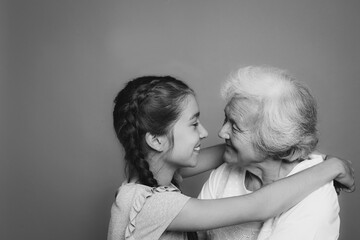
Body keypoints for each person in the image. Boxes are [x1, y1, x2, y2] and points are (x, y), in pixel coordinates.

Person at [107, 75, 355, 240]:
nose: (210, 132)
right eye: (194, 124)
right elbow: (260, 206)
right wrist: (331, 167)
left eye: (232, 126)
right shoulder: (153, 204)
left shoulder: (146, 175)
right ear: (156, 140)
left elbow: (230, 153)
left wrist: (286, 148)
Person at [198, 66, 352, 240]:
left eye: (234, 126)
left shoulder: (314, 195)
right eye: (225, 119)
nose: (221, 132)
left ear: (274, 142)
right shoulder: (225, 172)